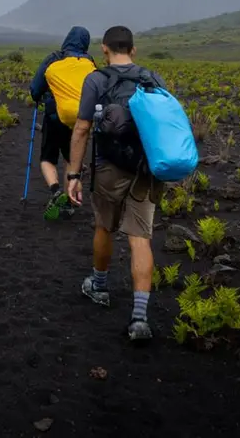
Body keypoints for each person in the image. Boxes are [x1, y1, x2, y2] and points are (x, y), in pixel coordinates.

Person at [64, 25, 168, 342]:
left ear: (105, 49)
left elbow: (81, 128)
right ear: (133, 50)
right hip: (146, 167)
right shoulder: (152, 78)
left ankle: (99, 286)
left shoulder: (96, 79)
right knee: (140, 237)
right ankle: (139, 318)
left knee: (104, 227)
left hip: (109, 167)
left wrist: (73, 174)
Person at [29, 26, 96, 220]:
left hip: (53, 115)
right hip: (79, 119)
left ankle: (56, 190)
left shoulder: (54, 58)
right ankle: (70, 200)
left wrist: (38, 96)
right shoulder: (89, 62)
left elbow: (35, 88)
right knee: (72, 159)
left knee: (48, 157)